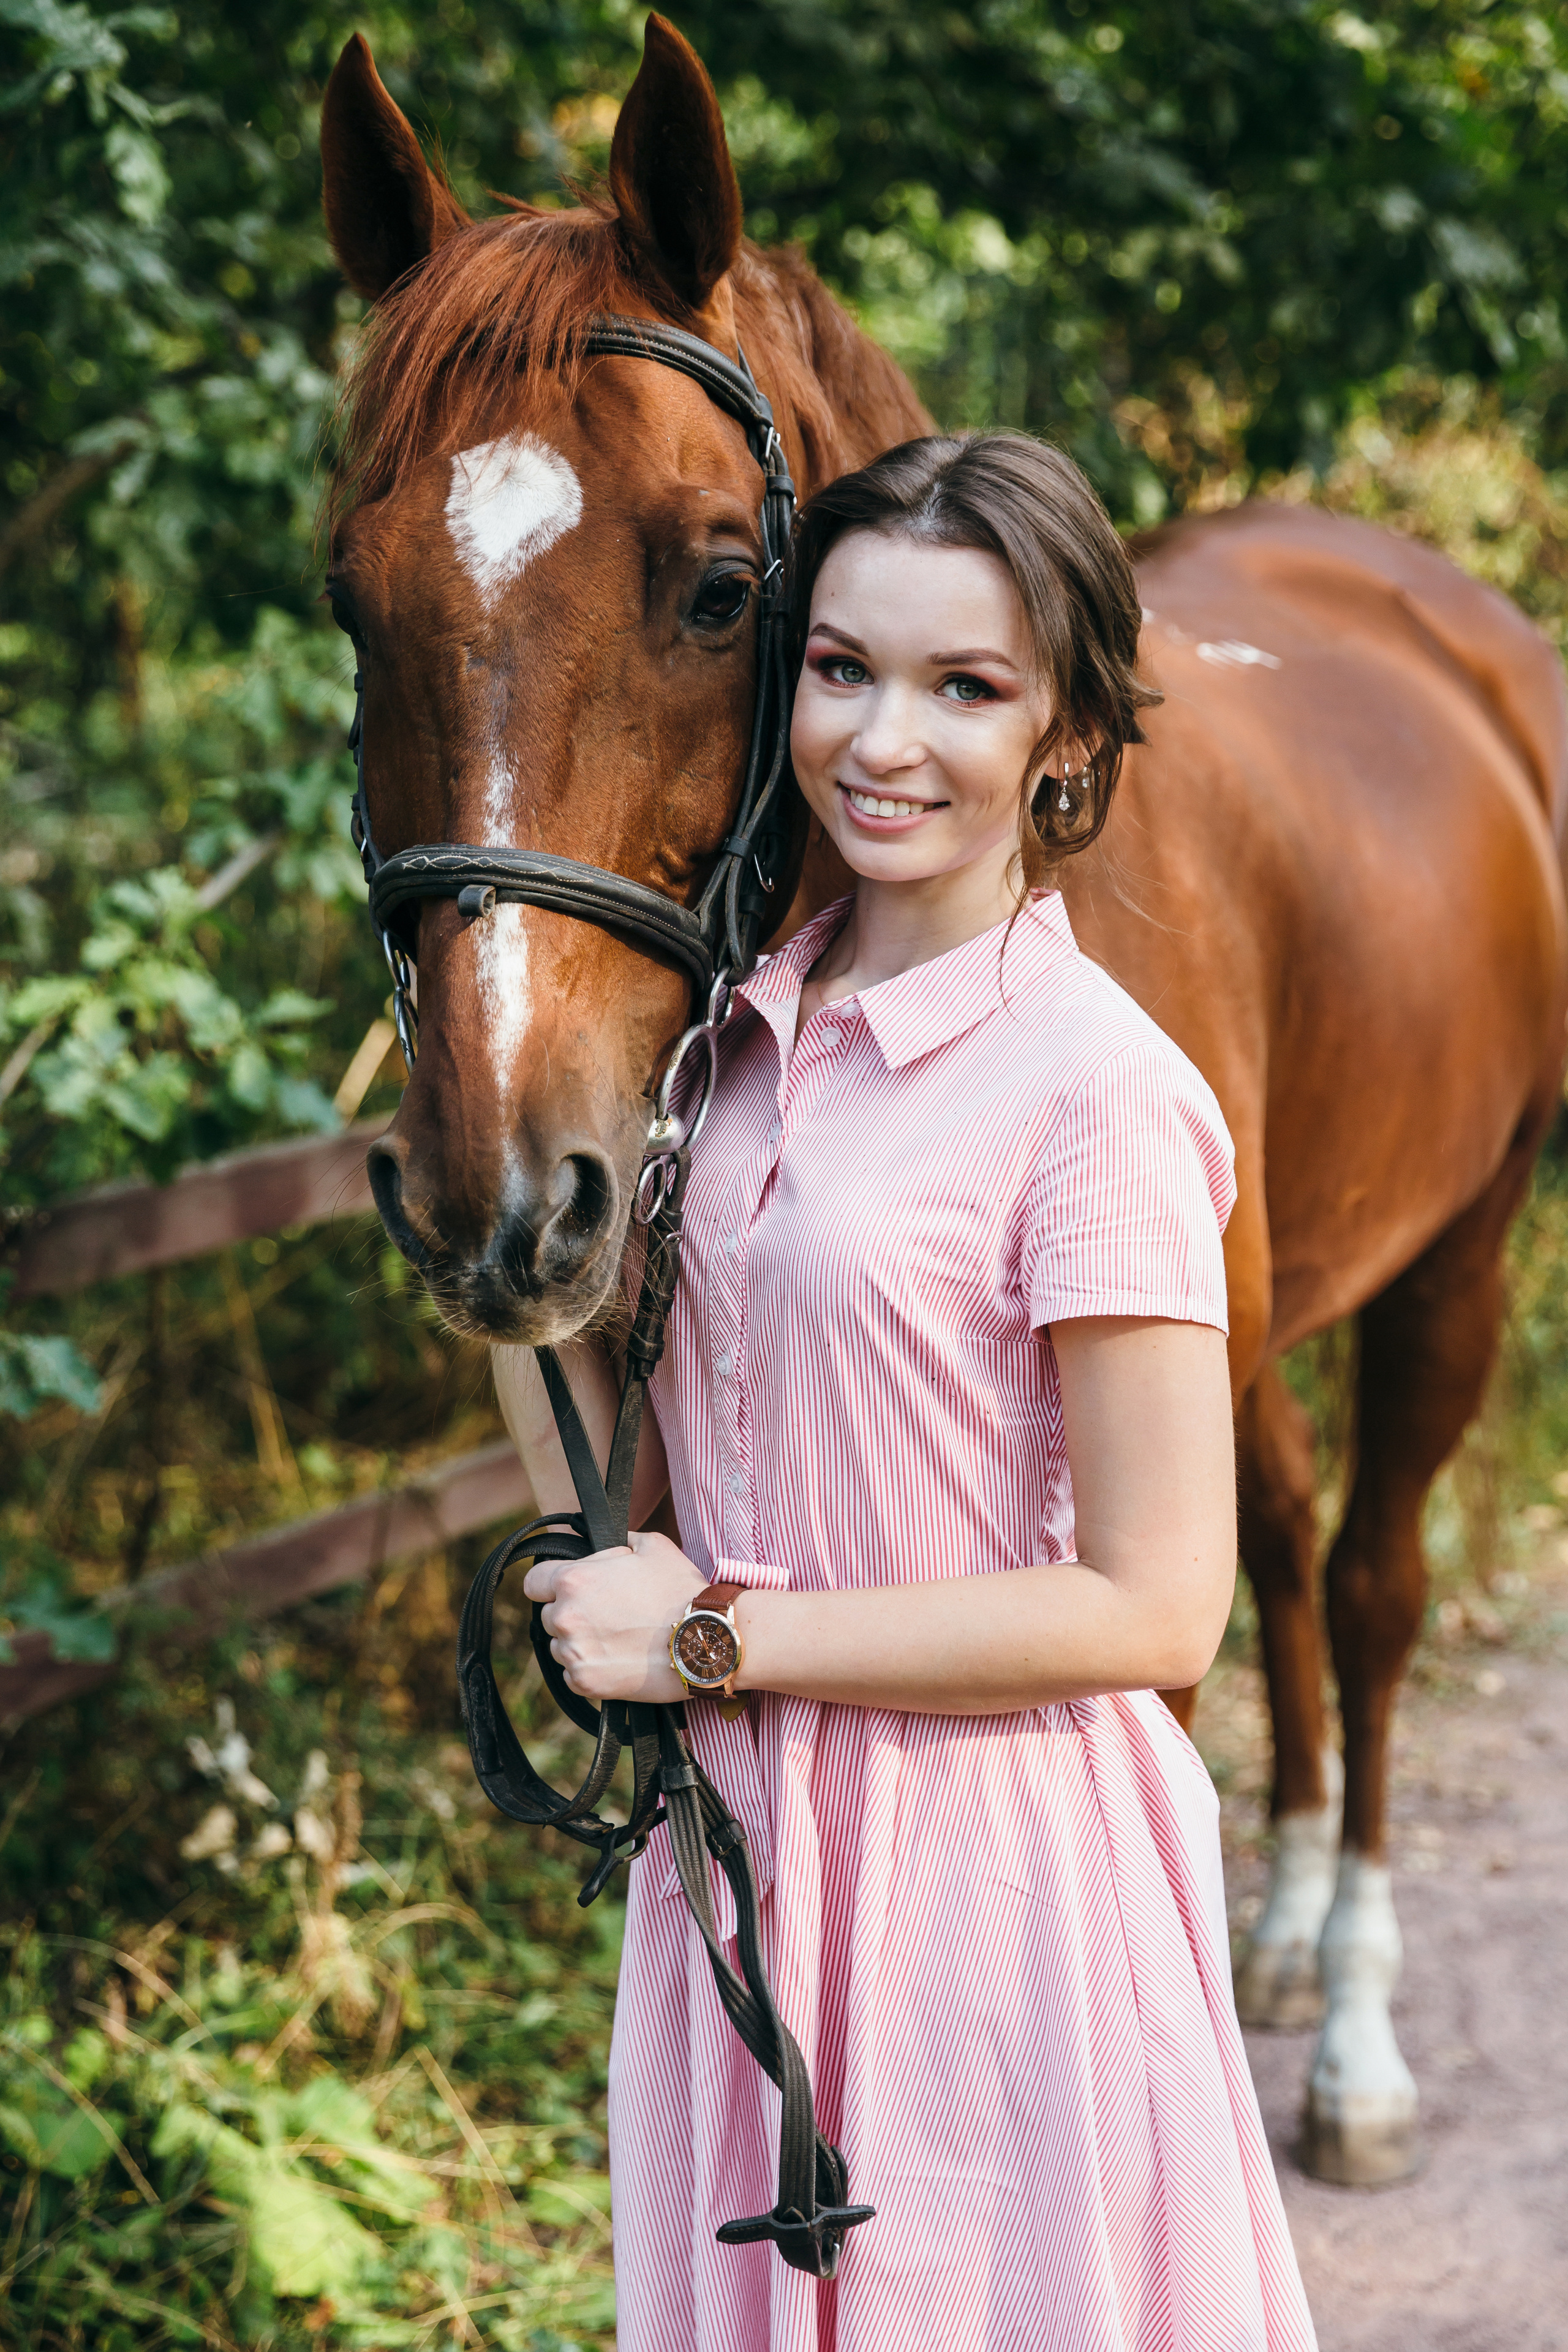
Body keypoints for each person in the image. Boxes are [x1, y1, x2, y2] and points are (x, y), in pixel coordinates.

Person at [494, 433, 1317, 2352]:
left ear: (1068, 732)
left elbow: (1154, 1603)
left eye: (967, 688)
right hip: (744, 1873)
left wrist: (707, 1639)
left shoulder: (1093, 1093)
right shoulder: (728, 1052)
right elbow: (651, 1448)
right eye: (844, 667)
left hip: (988, 1889)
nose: (885, 739)